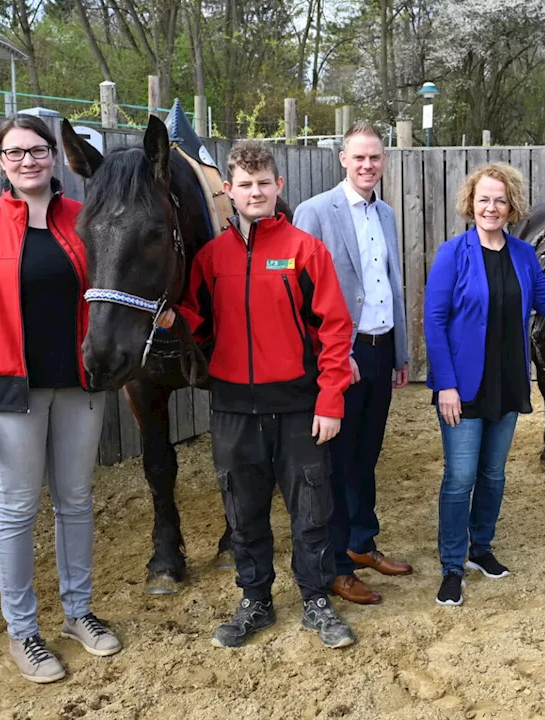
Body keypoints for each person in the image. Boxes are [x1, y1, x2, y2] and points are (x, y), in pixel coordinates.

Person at [0, 115, 121, 684]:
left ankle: (78, 613)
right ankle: (24, 632)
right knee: (17, 508)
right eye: (15, 153)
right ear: (0, 162)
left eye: (37, 151)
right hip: (8, 391)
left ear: (54, 157)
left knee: (75, 499)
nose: (27, 161)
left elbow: (114, 289)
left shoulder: (83, 221)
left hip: (78, 386)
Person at [157, 141, 357, 648]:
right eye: (245, 184)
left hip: (299, 408)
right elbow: (198, 320)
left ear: (278, 187)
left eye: (263, 183)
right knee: (243, 515)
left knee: (311, 512)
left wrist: (330, 400)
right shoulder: (210, 258)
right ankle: (256, 601)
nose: (255, 192)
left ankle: (316, 600)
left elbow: (335, 328)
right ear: (229, 191)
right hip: (232, 409)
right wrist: (173, 319)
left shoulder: (305, 250)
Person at [423, 163, 545, 607]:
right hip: (462, 388)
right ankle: (452, 566)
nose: (491, 207)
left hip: (507, 380)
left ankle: (481, 549)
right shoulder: (453, 253)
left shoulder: (524, 255)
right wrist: (445, 385)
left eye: (500, 200)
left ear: (512, 207)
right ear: (471, 203)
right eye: (484, 199)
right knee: (459, 478)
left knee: (493, 473)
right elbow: (434, 320)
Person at [293, 122, 413, 606]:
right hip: (341, 354)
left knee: (367, 455)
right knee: (338, 461)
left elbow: (390, 284)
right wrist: (336, 356)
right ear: (342, 159)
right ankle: (339, 565)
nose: (367, 166)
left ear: (383, 162)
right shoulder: (316, 211)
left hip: (380, 350)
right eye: (359, 157)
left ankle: (363, 543)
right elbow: (298, 295)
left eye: (375, 158)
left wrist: (400, 351)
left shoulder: (385, 213)